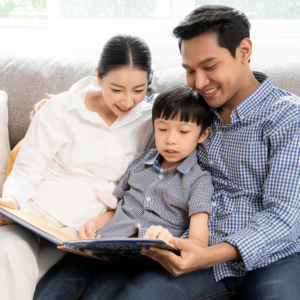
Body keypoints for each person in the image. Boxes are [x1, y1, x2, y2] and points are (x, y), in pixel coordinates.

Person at [33, 5, 300, 300]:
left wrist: (207, 255)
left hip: (273, 255)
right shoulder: (190, 107)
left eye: (210, 67)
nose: (199, 82)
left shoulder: (287, 117)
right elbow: (129, 95)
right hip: (192, 252)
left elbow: (284, 217)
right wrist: (61, 106)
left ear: (244, 50)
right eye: (189, 71)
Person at [0, 34, 156, 300]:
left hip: (83, 232)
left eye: (138, 90)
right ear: (98, 76)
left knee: (23, 277)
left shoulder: (152, 119)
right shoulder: (61, 108)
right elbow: (27, 170)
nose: (128, 101)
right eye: (116, 89)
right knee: (8, 247)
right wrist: (10, 201)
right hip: (38, 214)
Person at [79, 85, 213, 246]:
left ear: (203, 134)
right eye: (162, 129)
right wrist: (93, 224)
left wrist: (170, 240)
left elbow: (199, 242)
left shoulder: (199, 181)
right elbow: (120, 210)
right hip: (106, 243)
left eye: (183, 132)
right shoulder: (140, 162)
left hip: (152, 256)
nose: (170, 139)